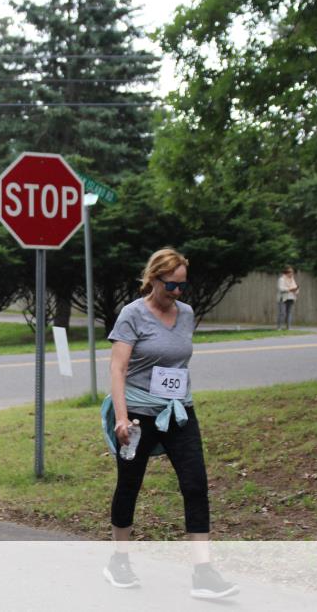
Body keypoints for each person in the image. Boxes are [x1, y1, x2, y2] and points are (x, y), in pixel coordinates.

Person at [101, 248, 237, 599]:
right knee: (129, 485)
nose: (177, 292)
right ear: (153, 279)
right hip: (139, 415)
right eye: (171, 285)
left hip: (178, 412)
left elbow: (178, 363)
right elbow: (118, 368)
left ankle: (203, 573)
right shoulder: (132, 315)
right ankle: (119, 560)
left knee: (196, 485)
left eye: (182, 286)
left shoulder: (186, 314)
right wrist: (121, 418)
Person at [276, 265, 299, 330]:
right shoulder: (281, 279)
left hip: (291, 297)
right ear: (286, 272)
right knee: (282, 313)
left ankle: (288, 327)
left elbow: (296, 288)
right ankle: (279, 327)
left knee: (289, 313)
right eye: (290, 272)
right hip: (283, 298)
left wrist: (296, 290)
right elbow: (280, 288)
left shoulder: (292, 280)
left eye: (292, 272)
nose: (292, 273)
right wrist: (289, 289)